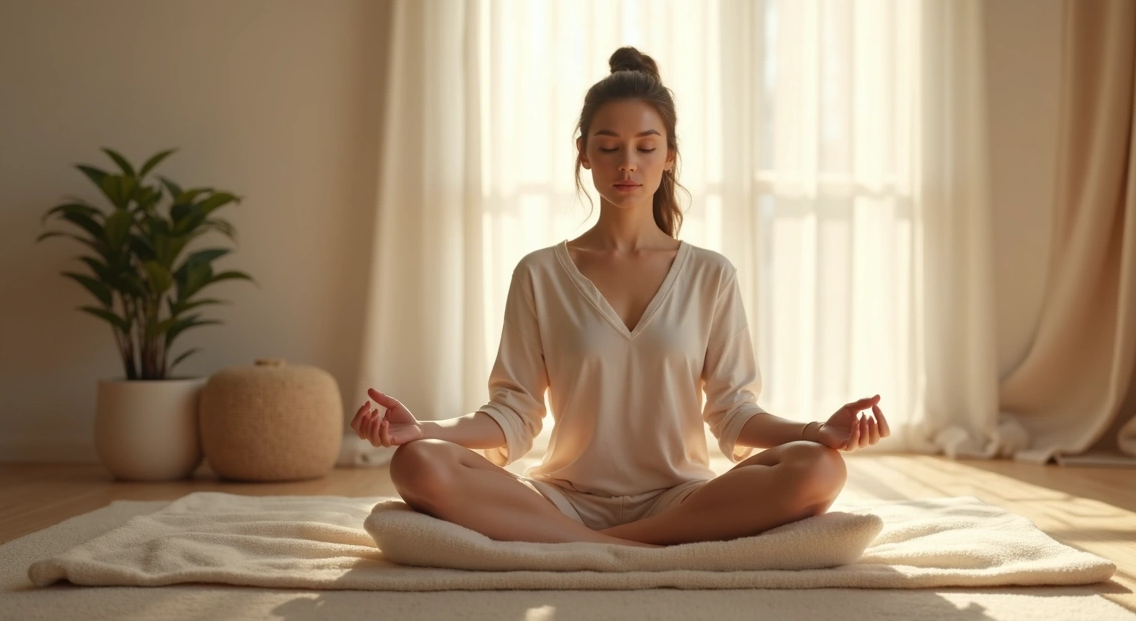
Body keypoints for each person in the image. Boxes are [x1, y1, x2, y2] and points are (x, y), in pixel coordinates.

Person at [350, 47, 890, 548]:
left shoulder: (710, 274)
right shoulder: (539, 273)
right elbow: (513, 413)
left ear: (670, 156)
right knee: (417, 463)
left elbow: (732, 413)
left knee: (820, 467)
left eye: (645, 147)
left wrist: (817, 432)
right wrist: (422, 430)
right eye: (608, 147)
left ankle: (604, 548)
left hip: (681, 498)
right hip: (563, 499)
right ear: (585, 155)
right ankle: (626, 548)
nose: (627, 163)